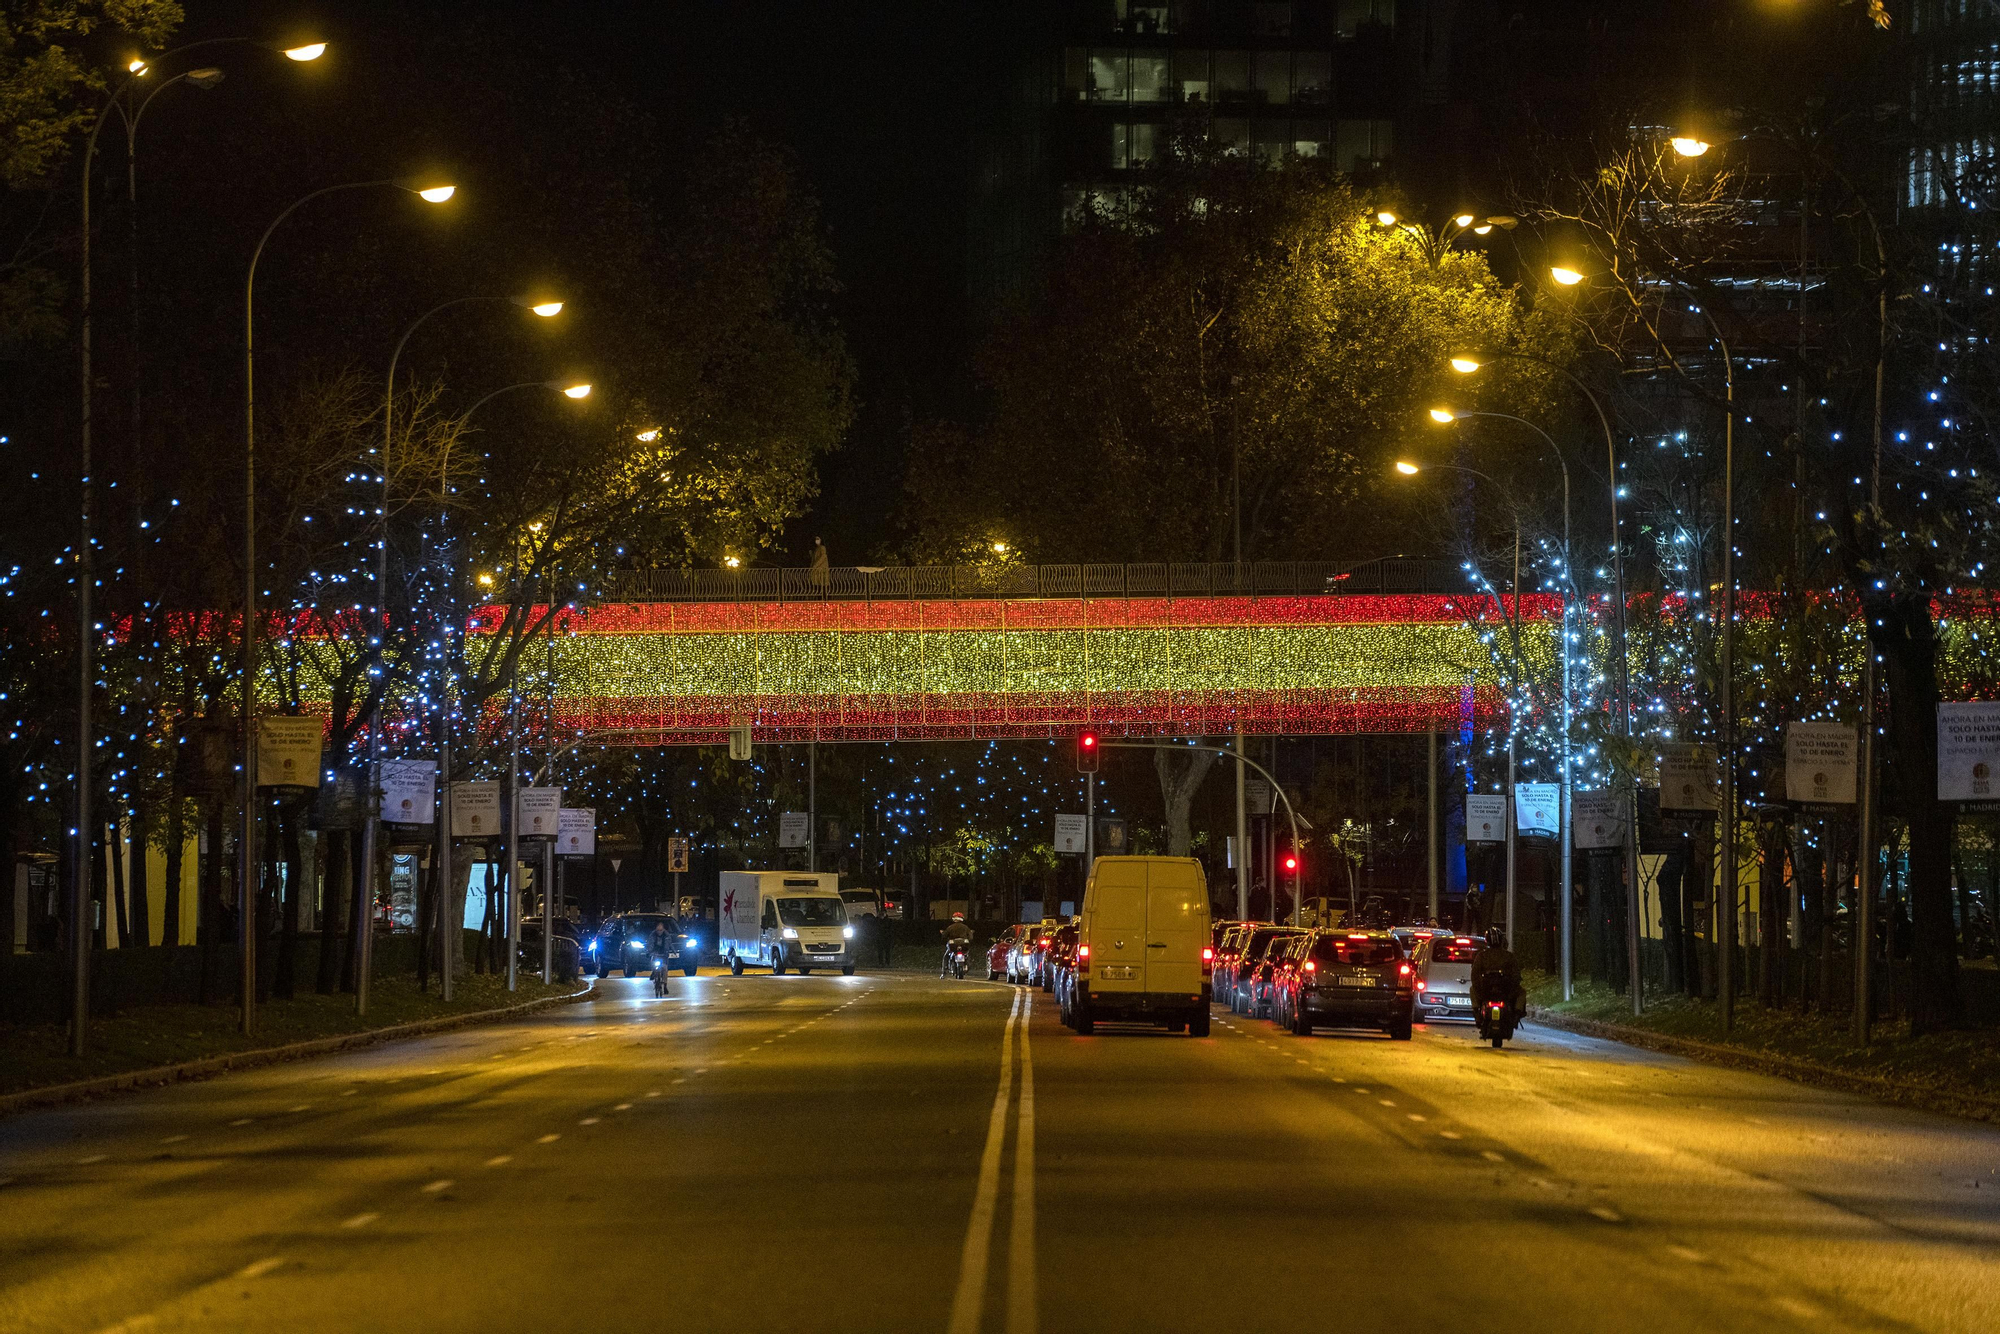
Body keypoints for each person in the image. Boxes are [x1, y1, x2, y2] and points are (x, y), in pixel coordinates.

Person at [1469, 927, 1524, 1030]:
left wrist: (1478, 987)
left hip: (1486, 990)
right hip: (1505, 990)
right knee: (1522, 993)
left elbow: (1475, 974)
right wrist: (1514, 985)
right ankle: (1516, 1015)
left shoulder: (1482, 956)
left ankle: (1477, 1015)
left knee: (1472, 990)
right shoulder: (1509, 956)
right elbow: (1516, 973)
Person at [941, 911, 973, 976]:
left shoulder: (950, 927)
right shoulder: (965, 927)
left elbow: (944, 936)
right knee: (967, 954)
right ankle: (966, 965)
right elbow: (971, 937)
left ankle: (944, 971)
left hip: (953, 945)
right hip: (964, 945)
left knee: (946, 956)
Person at [649, 918, 673, 996]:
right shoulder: (652, 935)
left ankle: (665, 986)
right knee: (652, 962)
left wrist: (672, 951)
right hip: (655, 952)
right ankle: (653, 973)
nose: (659, 929)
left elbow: (669, 944)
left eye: (661, 927)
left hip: (663, 953)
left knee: (665, 969)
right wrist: (649, 952)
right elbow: (650, 944)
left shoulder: (667, 935)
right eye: (658, 927)